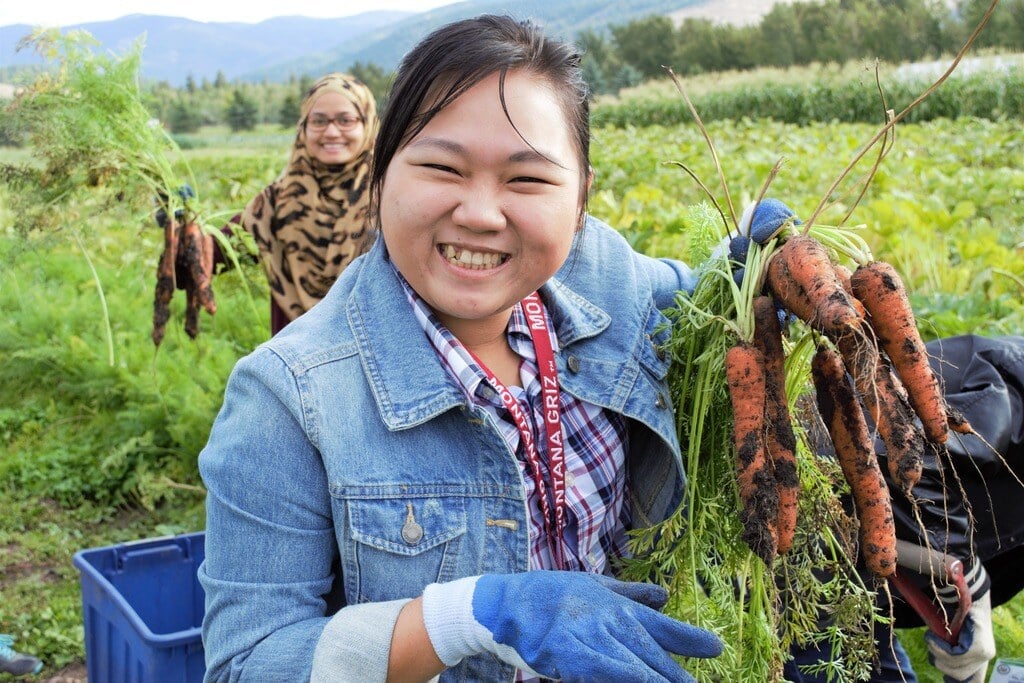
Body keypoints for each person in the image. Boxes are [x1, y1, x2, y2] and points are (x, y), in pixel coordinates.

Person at [198, 14, 725, 683]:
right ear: (382, 176)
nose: (480, 213)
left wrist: (749, 265)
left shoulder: (608, 276)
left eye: (528, 180)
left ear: (581, 197)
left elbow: (699, 289)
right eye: (443, 167)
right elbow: (248, 664)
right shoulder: (287, 395)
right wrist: (468, 616)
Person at [786, 334, 1024, 682]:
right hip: (799, 506)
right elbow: (912, 451)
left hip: (864, 566)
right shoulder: (1011, 387)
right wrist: (969, 581)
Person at [212, 72, 379, 335]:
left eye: (346, 120)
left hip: (376, 363)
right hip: (294, 368)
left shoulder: (390, 199)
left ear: (368, 123)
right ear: (303, 127)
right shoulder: (275, 203)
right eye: (319, 121)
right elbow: (214, 252)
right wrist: (182, 230)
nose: (332, 132)